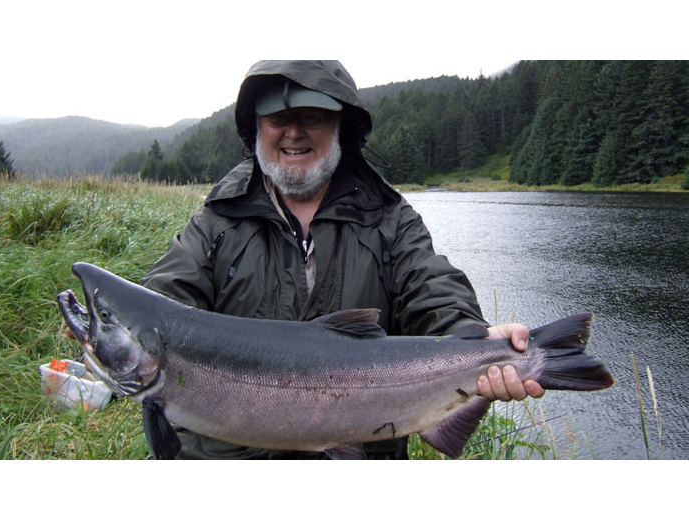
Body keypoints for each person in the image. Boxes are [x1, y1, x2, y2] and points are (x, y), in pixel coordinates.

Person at [140, 60, 544, 459]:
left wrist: (474, 338)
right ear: (256, 128)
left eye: (311, 116)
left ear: (340, 128)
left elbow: (433, 292)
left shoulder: (391, 219)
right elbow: (160, 304)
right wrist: (111, 334)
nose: (293, 132)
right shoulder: (217, 221)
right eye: (278, 117)